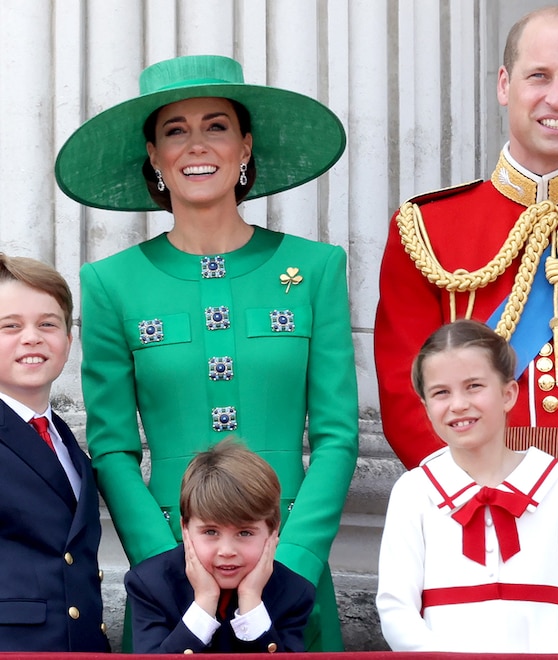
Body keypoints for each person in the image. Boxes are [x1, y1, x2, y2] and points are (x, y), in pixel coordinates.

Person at [374, 5, 558, 650]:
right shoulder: (426, 228)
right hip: (467, 534)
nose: (557, 98)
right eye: (538, 76)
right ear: (504, 85)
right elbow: (403, 392)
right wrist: (473, 495)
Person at [54, 54, 358, 652]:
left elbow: (337, 435)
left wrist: (293, 557)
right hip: (169, 568)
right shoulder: (110, 282)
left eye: (216, 125)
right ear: (154, 154)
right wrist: (166, 564)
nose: (198, 144)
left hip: (288, 555)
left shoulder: (318, 268)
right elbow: (113, 446)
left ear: (245, 146)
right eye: (175, 129)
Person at [376, 319, 558, 653]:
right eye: (441, 392)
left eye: (474, 386)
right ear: (426, 407)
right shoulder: (414, 492)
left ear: (507, 393)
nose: (458, 404)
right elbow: (396, 606)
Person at [0, 254, 109, 652]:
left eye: (48, 324)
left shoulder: (65, 441)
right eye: (10, 326)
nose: (32, 337)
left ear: (68, 340)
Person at [125, 440, 315, 653]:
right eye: (211, 532)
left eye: (244, 533)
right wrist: (204, 602)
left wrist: (251, 600)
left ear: (272, 532)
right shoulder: (151, 584)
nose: (226, 551)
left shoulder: (293, 592)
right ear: (185, 528)